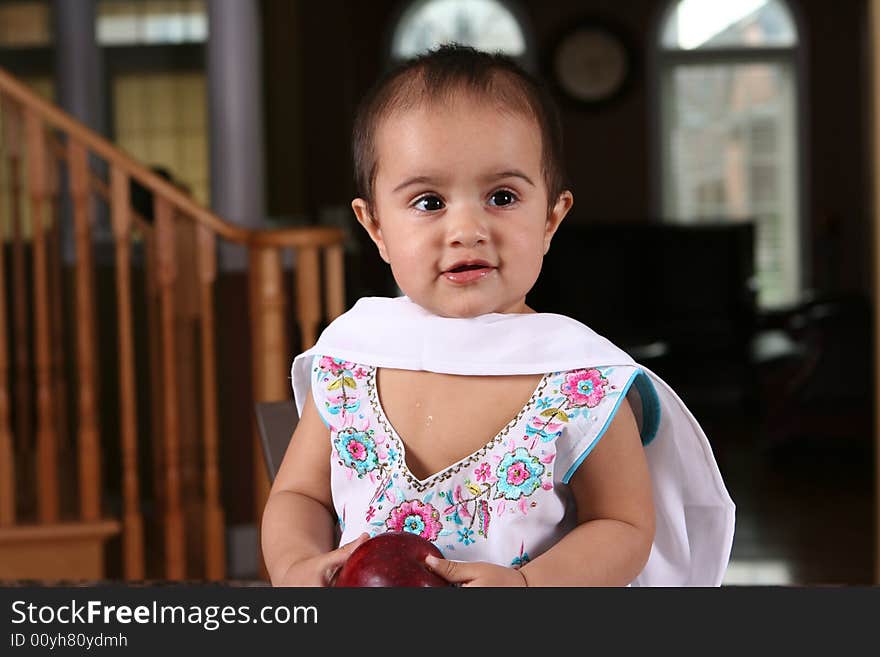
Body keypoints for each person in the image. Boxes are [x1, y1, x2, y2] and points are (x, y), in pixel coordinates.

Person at [261, 44, 735, 587]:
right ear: (375, 229)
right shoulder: (353, 355)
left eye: (503, 197)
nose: (467, 228)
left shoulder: (580, 377)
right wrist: (296, 563)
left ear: (552, 218)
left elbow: (622, 524)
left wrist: (530, 586)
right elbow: (300, 495)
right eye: (429, 202)